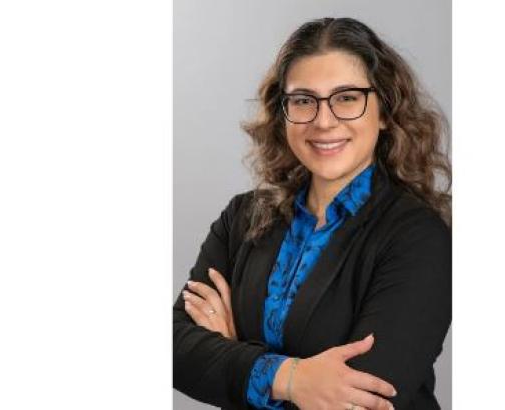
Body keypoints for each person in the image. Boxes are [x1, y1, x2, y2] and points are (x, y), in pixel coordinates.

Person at [174, 17, 451, 410]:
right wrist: (293, 379)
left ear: (385, 110)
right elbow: (173, 347)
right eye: (303, 100)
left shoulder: (420, 238)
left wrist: (232, 356)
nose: (323, 120)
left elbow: (362, 402)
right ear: (283, 112)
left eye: (347, 98)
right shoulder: (243, 216)